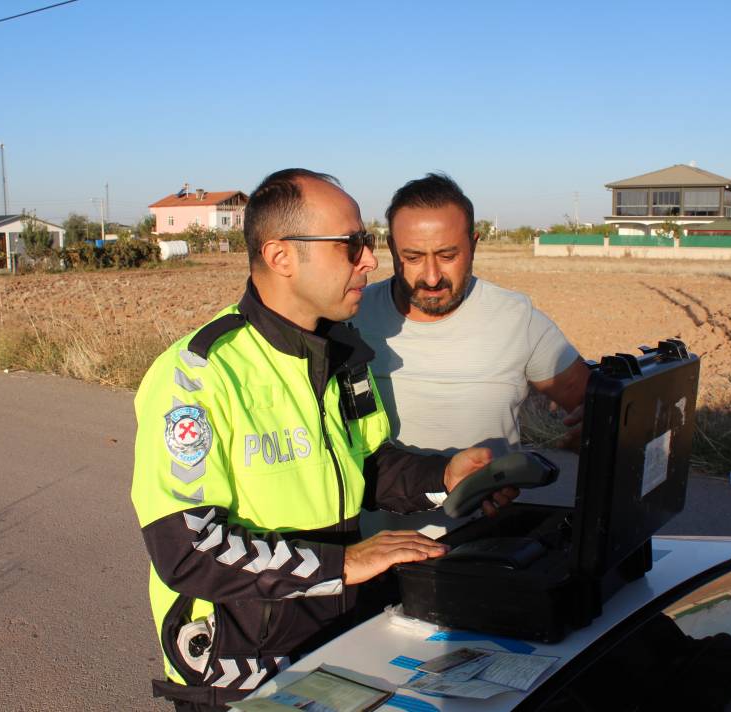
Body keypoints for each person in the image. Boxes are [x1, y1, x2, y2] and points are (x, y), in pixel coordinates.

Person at [131, 169, 511, 711]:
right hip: (242, 663)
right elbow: (187, 549)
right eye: (352, 245)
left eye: (368, 242)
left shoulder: (341, 355)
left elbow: (366, 466)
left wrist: (444, 475)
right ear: (281, 256)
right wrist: (342, 564)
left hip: (342, 632)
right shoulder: (196, 375)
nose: (370, 261)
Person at [353, 173, 591, 534]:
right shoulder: (352, 319)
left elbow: (594, 401)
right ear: (391, 248)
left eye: (448, 255)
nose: (432, 277)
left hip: (485, 549)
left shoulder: (517, 319)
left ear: (474, 244)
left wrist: (592, 430)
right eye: (413, 257)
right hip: (371, 553)